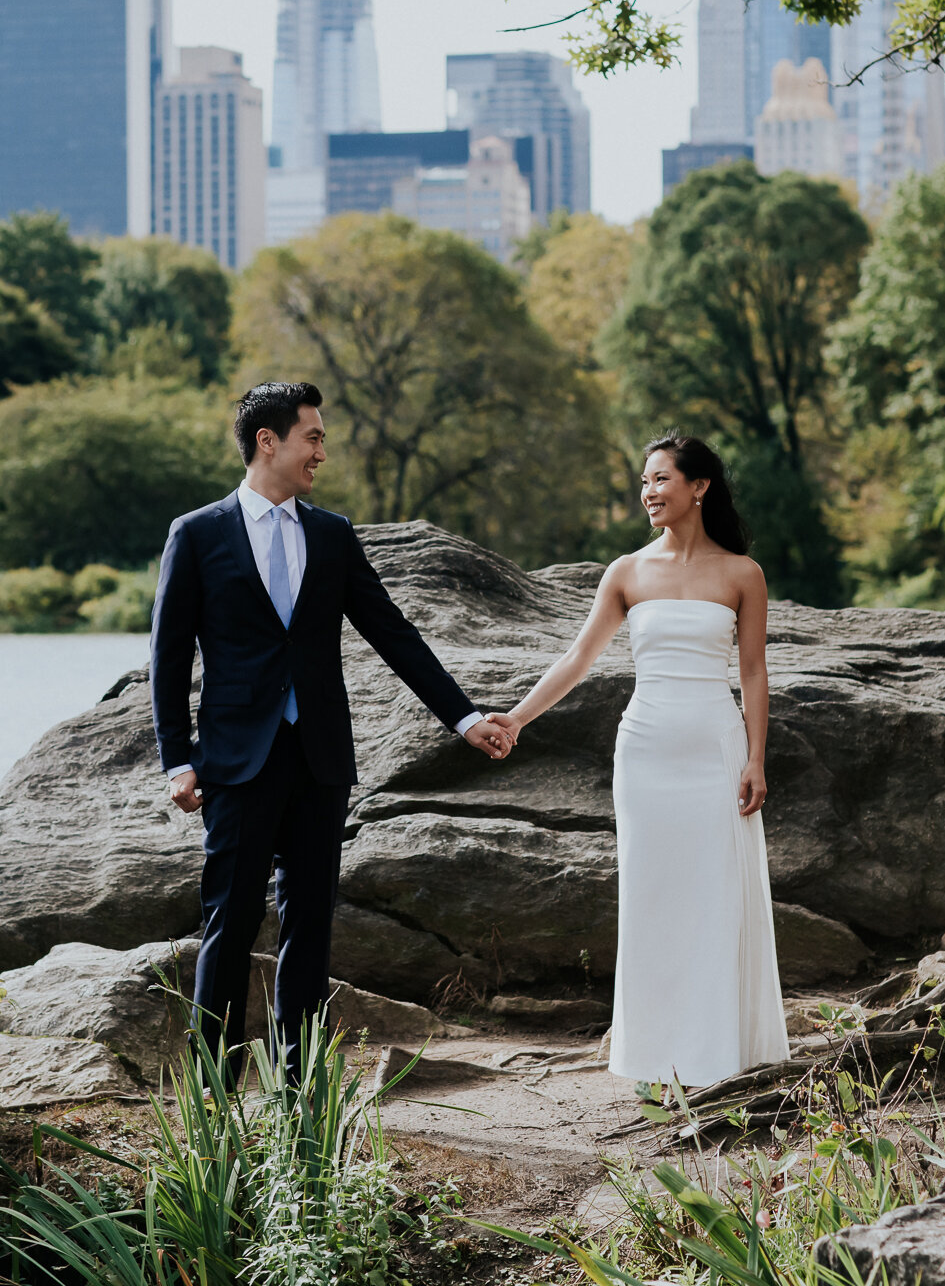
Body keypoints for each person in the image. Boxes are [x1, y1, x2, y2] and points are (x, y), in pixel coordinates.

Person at [152, 381, 516, 1077]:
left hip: (320, 759)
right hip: (235, 761)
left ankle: (299, 1093)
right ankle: (214, 1101)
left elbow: (393, 634)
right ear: (270, 442)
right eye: (312, 437)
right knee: (228, 928)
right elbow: (169, 659)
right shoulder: (196, 534)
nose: (321, 450)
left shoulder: (332, 534)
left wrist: (464, 717)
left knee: (309, 929)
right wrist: (178, 760)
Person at [492, 434, 790, 1090]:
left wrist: (757, 759)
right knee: (653, 897)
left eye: (661, 479)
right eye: (644, 483)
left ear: (699, 486)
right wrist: (516, 717)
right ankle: (656, 1060)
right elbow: (578, 659)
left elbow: (755, 673)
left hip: (716, 748)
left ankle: (718, 1056)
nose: (649, 492)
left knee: (716, 897)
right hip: (647, 752)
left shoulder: (743, 574)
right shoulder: (626, 572)